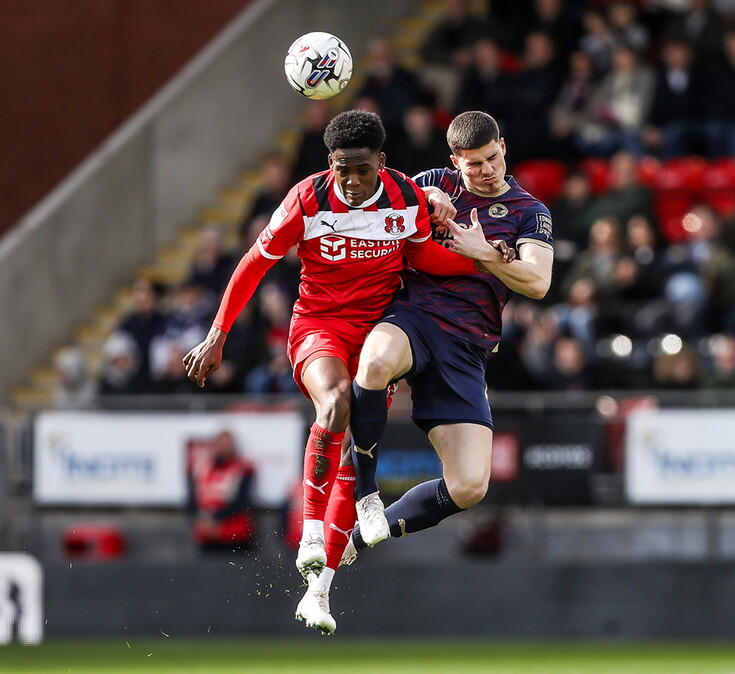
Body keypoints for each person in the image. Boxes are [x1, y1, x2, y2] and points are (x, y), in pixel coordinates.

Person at [182, 110, 509, 634]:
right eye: (341, 170)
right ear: (328, 165)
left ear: (381, 163)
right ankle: (312, 531)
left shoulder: (405, 198)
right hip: (319, 329)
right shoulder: (308, 199)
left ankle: (320, 588)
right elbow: (253, 263)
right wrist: (218, 333)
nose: (351, 182)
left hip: (374, 334)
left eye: (361, 170)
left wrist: (490, 261)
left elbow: (427, 257)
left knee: (356, 450)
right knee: (334, 404)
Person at [345, 110, 553, 588]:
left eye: (492, 158)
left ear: (504, 147)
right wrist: (426, 196)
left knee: (468, 486)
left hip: (467, 347)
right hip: (413, 317)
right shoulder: (435, 181)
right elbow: (375, 204)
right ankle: (364, 493)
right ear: (454, 160)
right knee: (374, 363)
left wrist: (481, 250)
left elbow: (539, 282)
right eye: (473, 163)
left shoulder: (529, 210)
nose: (486, 170)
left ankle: (358, 539)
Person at [186, 430, 256, 553]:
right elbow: (192, 499)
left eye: (227, 444)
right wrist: (204, 519)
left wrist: (216, 518)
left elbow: (242, 501)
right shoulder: (201, 468)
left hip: (233, 532)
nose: (223, 448)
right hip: (207, 532)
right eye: (220, 443)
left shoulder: (242, 468)